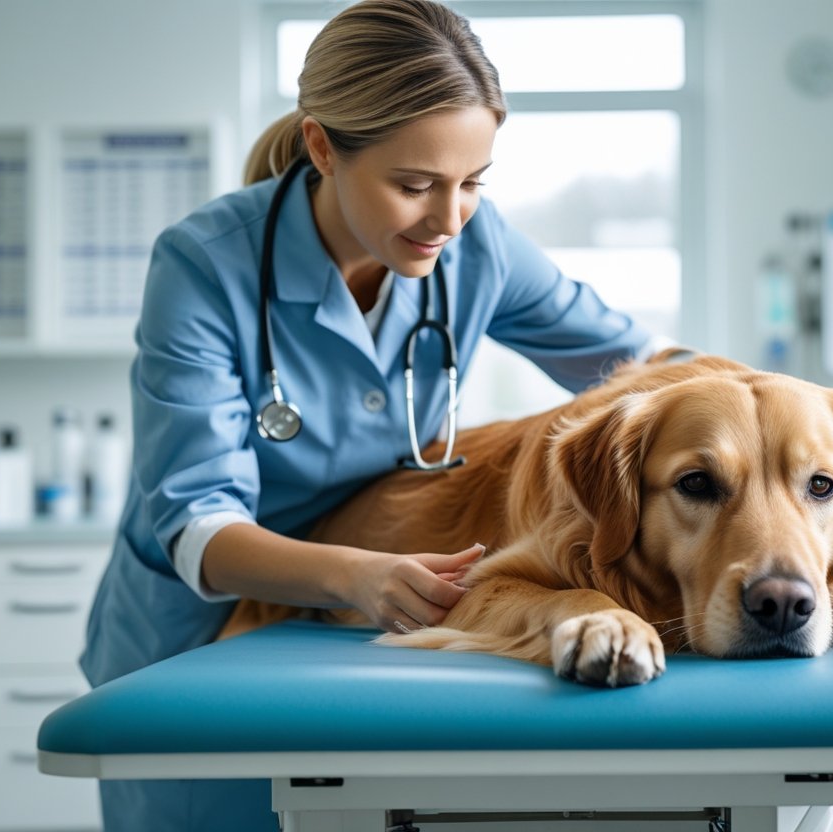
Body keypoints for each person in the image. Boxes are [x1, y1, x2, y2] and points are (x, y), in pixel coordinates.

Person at [79, 0, 666, 828]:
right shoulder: (205, 265)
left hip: (355, 633)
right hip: (201, 634)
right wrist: (359, 573)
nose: (448, 218)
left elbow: (642, 366)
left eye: (472, 183)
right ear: (322, 146)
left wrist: (771, 415)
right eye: (415, 185)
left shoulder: (477, 244)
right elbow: (197, 524)